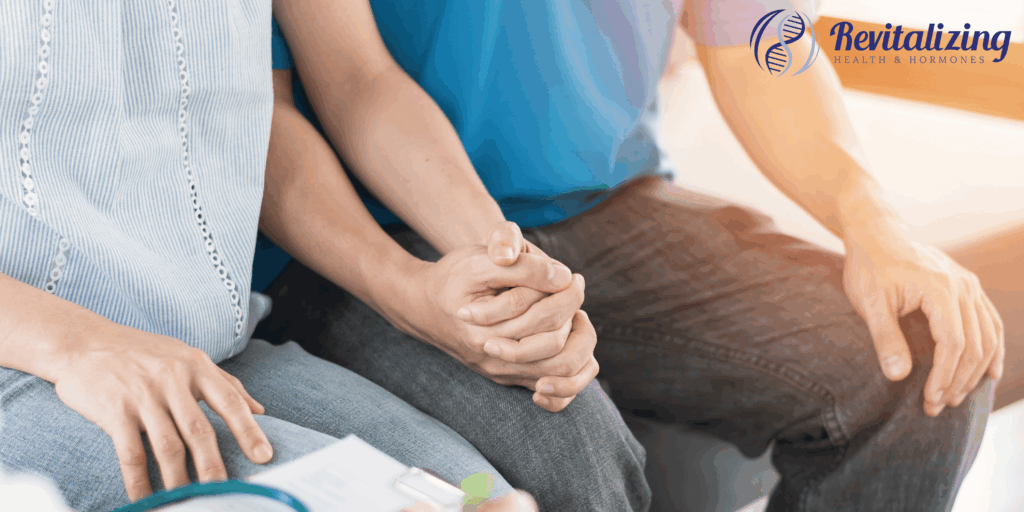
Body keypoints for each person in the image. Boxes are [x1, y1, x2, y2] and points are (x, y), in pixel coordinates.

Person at [261, 0, 1003, 510]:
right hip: (382, 231)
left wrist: (874, 221)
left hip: (612, 204)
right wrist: (508, 265)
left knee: (926, 350)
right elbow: (347, 80)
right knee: (569, 459)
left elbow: (760, 35)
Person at [0, 3, 560, 511]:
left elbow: (357, 76)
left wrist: (507, 268)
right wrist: (77, 344)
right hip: (31, 350)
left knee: (479, 495)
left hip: (211, 339)